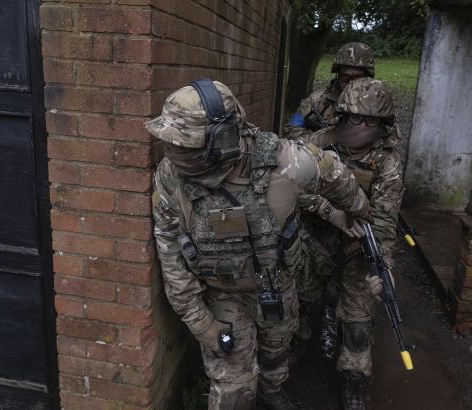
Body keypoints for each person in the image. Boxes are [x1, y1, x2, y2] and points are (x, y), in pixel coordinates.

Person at [148, 78, 371, 410]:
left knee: (276, 348)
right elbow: (170, 255)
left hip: (276, 282)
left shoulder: (288, 163)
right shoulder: (170, 177)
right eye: (172, 144)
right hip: (222, 294)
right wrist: (201, 322)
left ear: (222, 139)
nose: (174, 154)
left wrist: (355, 211)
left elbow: (335, 176)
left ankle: (272, 388)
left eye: (186, 146)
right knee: (234, 392)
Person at [294, 77, 404, 410]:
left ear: (382, 125)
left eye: (370, 120)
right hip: (312, 240)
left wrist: (382, 264)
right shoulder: (318, 143)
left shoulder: (387, 163)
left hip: (357, 250)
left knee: (358, 321)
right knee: (298, 305)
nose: (360, 126)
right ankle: (286, 360)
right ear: (342, 115)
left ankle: (354, 381)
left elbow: (385, 220)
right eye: (354, 117)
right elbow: (289, 188)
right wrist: (328, 211)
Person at [285, 42, 375, 140]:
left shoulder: (378, 104)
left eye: (357, 78)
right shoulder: (316, 100)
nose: (351, 84)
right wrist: (318, 144)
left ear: (367, 78)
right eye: (345, 78)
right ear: (338, 76)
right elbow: (292, 129)